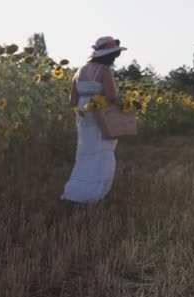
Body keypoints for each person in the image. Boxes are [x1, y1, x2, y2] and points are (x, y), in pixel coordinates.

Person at [60, 36, 127, 207]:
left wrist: (86, 100)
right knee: (102, 153)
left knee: (85, 152)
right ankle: (95, 195)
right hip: (100, 112)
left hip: (83, 114)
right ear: (109, 56)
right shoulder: (104, 71)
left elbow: (72, 100)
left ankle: (76, 191)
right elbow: (111, 96)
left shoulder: (79, 71)